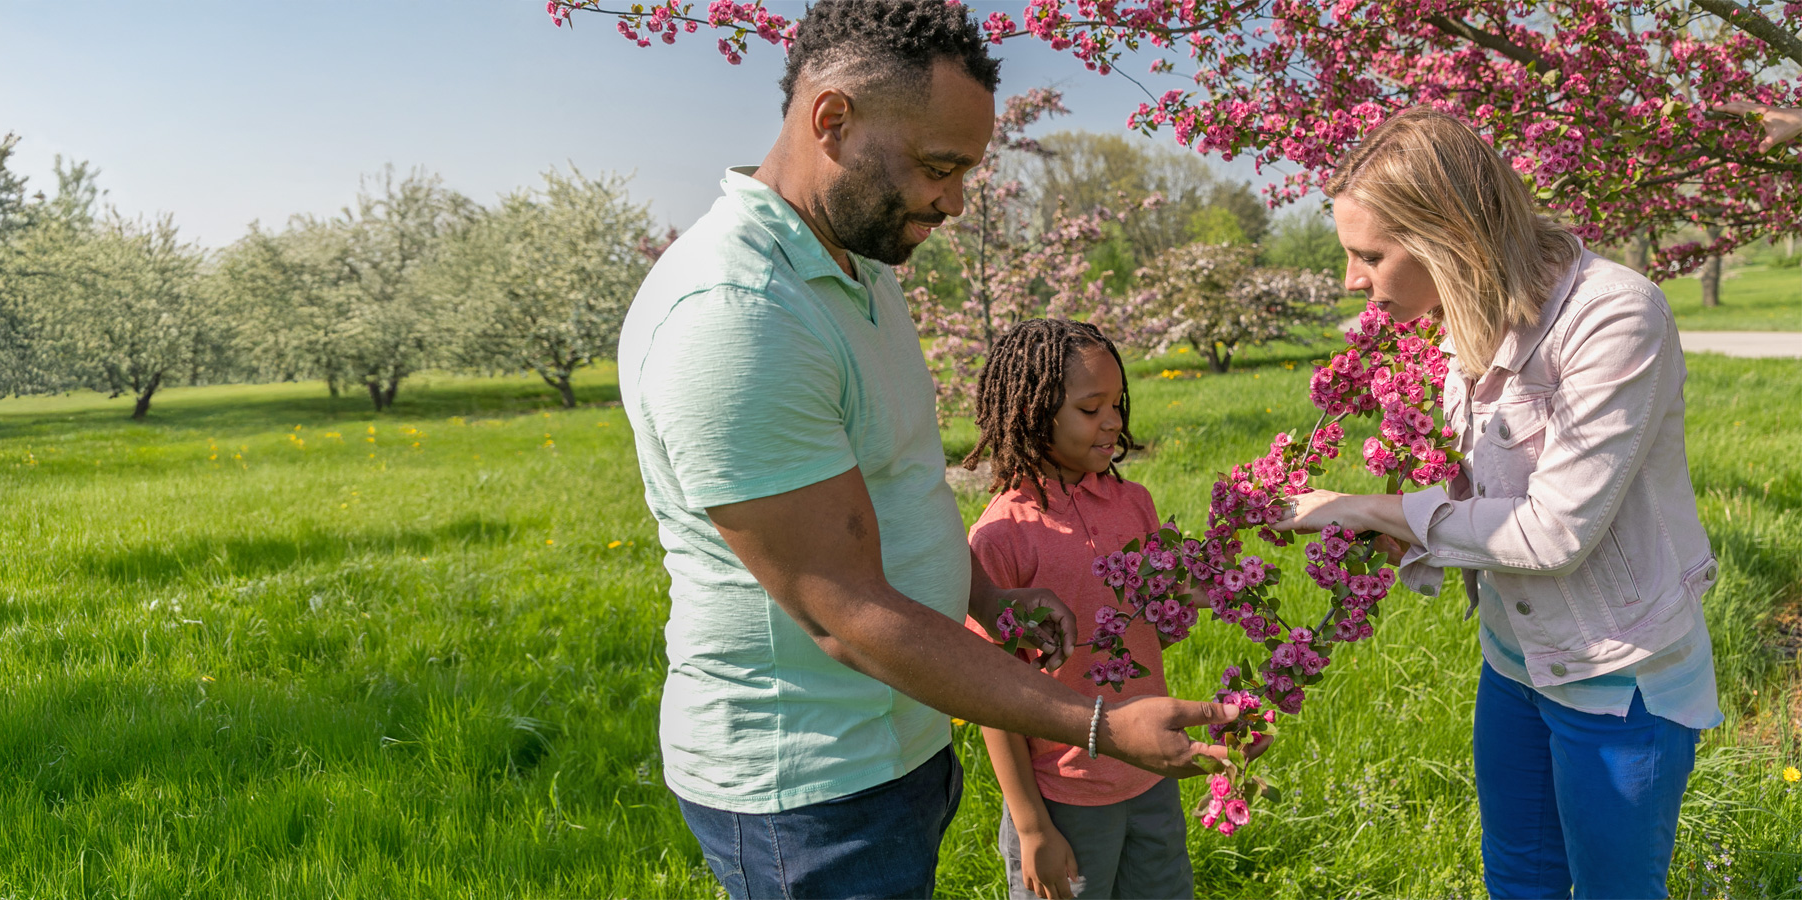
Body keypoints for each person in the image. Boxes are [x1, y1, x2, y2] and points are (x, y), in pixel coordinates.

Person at [615, 3, 1241, 897]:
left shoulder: (855, 270)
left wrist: (988, 593)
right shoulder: (740, 314)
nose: (953, 200)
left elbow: (895, 486)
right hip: (809, 785)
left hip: (905, 735)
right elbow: (842, 613)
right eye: (939, 167)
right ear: (833, 122)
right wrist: (1098, 723)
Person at [1271, 107, 1721, 899]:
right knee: (1519, 879)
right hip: (1516, 662)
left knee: (1615, 889)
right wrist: (1395, 531)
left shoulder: (1614, 316)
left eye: (1368, 255)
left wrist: (1374, 510)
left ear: (1447, 237)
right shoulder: (1465, 321)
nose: (1351, 279)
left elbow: (1555, 532)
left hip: (1616, 677)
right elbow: (1480, 488)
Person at [960, 320, 1196, 900]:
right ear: (1034, 413)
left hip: (1150, 773)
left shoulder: (1134, 503)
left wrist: (1192, 594)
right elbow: (990, 694)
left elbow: (1150, 632)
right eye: (1091, 409)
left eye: (1117, 404)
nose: (1114, 422)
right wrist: (1032, 824)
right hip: (1062, 794)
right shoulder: (1001, 535)